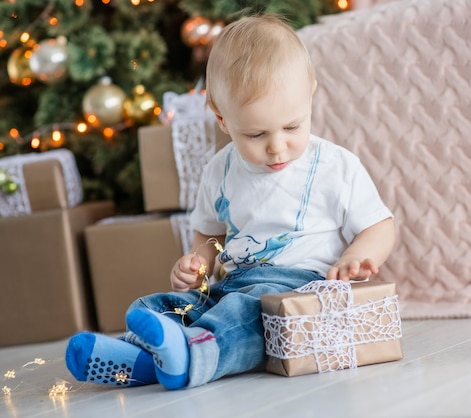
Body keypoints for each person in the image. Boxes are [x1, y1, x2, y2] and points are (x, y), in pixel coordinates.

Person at [65, 14, 395, 391]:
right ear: (222, 119)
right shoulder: (218, 171)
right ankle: (140, 360)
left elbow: (379, 226)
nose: (277, 146)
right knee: (158, 304)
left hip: (298, 292)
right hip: (228, 285)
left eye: (292, 126)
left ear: (310, 94)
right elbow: (209, 233)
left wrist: (355, 257)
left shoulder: (336, 166)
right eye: (255, 133)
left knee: (248, 314)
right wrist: (197, 265)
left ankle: (192, 356)